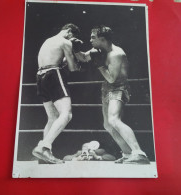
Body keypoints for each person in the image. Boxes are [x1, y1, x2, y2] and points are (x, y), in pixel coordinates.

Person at [73, 25, 150, 164]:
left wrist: (99, 65)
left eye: (93, 37)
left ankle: (139, 152)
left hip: (119, 87)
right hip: (107, 89)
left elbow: (112, 78)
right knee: (108, 125)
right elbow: (84, 57)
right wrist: (75, 49)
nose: (90, 40)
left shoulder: (116, 54)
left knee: (114, 119)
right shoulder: (98, 50)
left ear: (102, 39)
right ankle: (127, 154)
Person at [32, 23, 81, 164]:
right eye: (73, 36)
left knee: (52, 117)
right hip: (53, 74)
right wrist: (74, 52)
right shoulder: (66, 42)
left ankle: (45, 156)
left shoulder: (48, 40)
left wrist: (68, 55)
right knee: (66, 114)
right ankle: (43, 147)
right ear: (70, 32)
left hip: (40, 76)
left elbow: (57, 59)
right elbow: (72, 68)